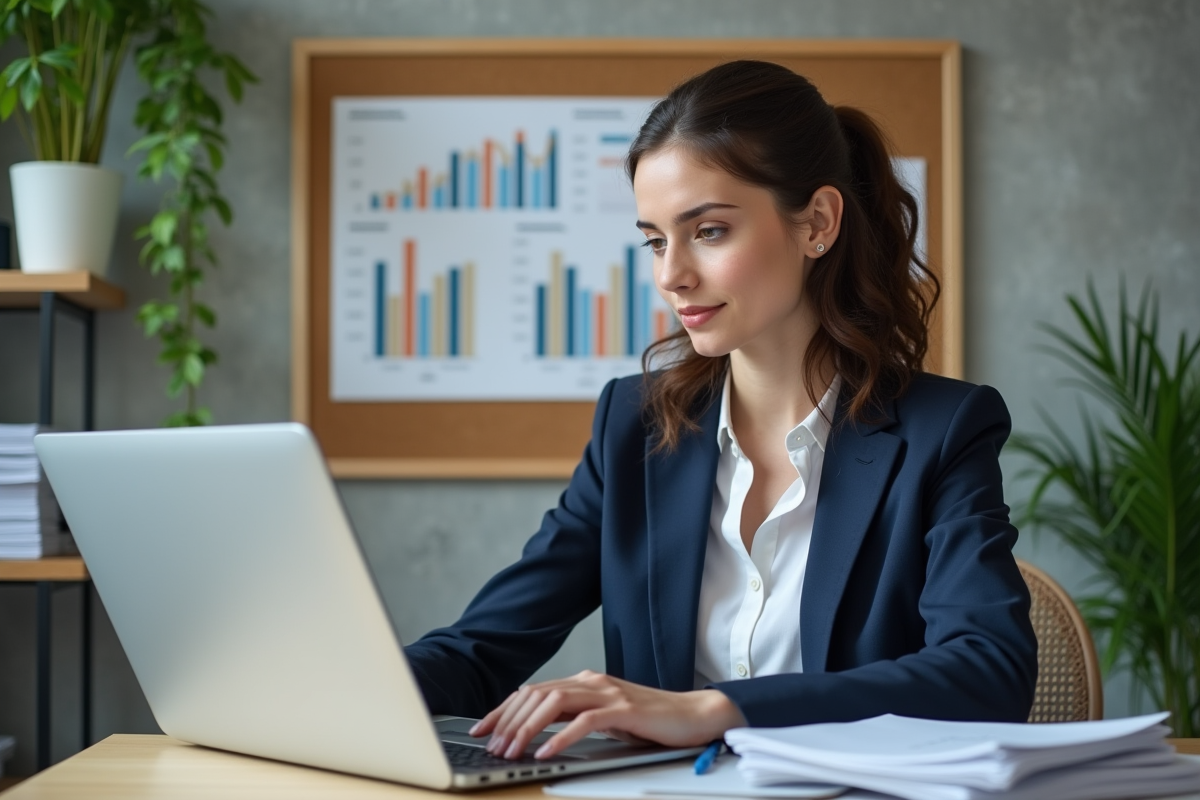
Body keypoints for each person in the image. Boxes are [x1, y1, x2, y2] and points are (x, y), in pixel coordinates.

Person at [404, 60, 1037, 762]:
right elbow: (481, 647)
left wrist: (718, 710)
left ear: (818, 223)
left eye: (707, 231)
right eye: (655, 239)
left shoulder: (941, 431)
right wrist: (342, 695)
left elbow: (989, 672)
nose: (670, 274)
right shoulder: (634, 426)